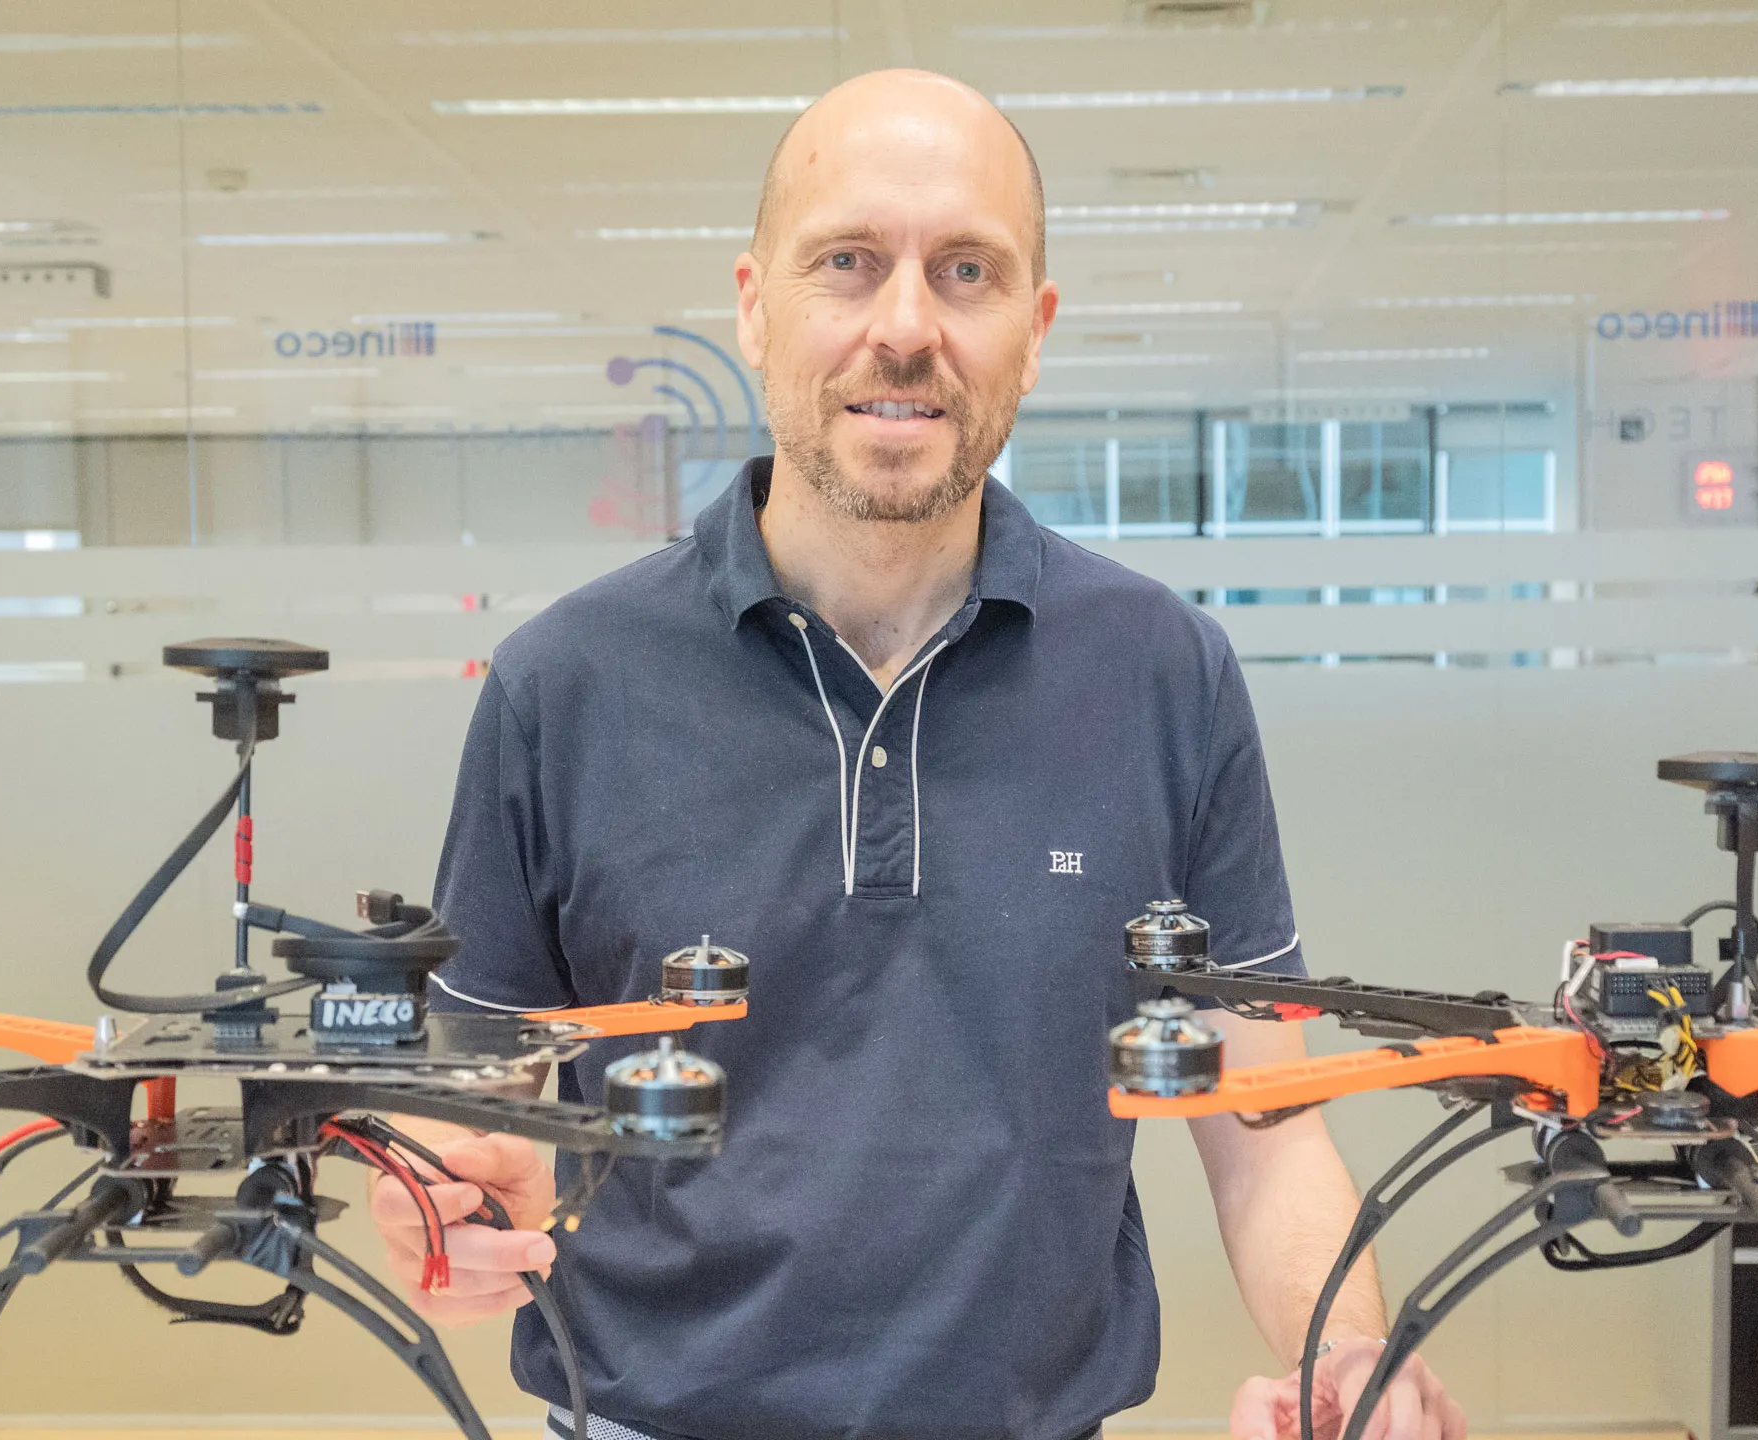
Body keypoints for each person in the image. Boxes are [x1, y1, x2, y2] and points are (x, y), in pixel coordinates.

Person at [374, 68, 1467, 1440]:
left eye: (966, 271)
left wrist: (1347, 1353)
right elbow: (466, 1101)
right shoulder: (564, 681)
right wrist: (446, 1201)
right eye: (848, 263)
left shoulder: (1161, 672)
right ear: (756, 307)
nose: (906, 328)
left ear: (1034, 328)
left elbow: (1265, 1116)